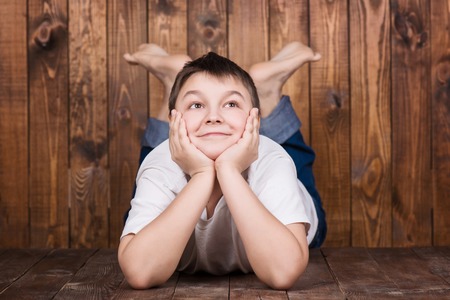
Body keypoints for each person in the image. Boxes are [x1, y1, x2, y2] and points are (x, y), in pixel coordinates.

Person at [119, 43, 326, 290]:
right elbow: (139, 271)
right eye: (196, 105)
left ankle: (266, 92)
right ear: (173, 121)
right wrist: (202, 176)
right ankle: (172, 82)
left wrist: (228, 171)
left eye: (231, 104)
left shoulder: (274, 161)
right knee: (144, 197)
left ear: (256, 121)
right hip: (170, 155)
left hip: (274, 166)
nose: (213, 116)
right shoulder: (161, 163)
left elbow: (283, 273)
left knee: (313, 215)